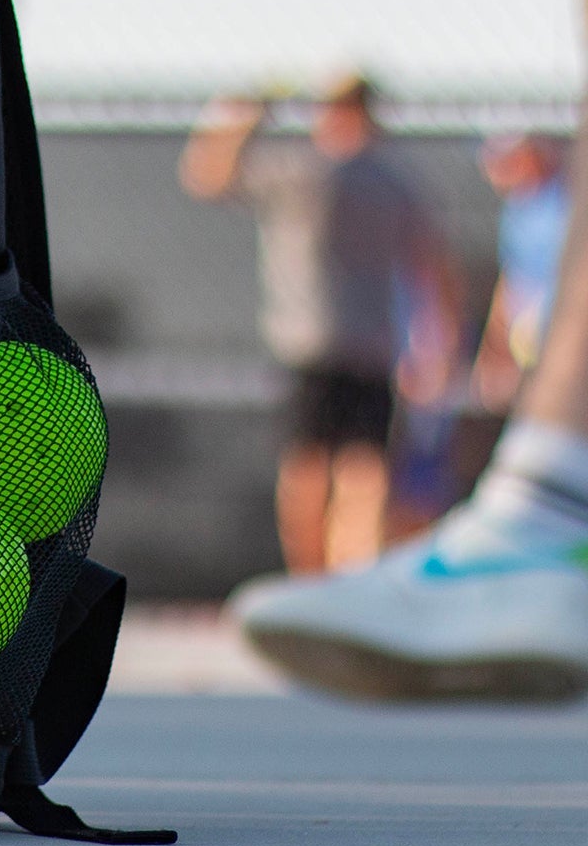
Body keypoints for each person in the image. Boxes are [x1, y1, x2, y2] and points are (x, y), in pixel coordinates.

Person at [232, 108, 588, 699]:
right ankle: (552, 512)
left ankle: (550, 519)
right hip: (336, 349)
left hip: (375, 351)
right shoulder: (521, 209)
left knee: (369, 474)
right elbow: (513, 287)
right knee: (316, 468)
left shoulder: (398, 184)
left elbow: (439, 265)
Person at [180, 75, 459, 576]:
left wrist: (243, 115)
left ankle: (332, 583)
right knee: (324, 470)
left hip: (357, 349)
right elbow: (208, 179)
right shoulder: (321, 173)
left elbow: (207, 175)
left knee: (355, 473)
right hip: (320, 346)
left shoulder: (358, 178)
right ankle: (319, 583)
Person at [473, 132, 571, 414]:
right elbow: (511, 282)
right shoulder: (516, 212)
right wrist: (493, 352)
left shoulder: (566, 203)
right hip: (531, 344)